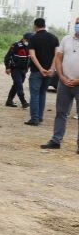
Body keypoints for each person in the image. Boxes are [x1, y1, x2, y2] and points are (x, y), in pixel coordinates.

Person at [40, 17, 79, 151]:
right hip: (64, 82)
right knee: (61, 112)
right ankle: (56, 140)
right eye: (77, 24)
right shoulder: (66, 39)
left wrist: (77, 80)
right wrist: (61, 77)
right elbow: (58, 58)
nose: (77, 26)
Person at [25, 17, 59, 126]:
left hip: (36, 72)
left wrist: (40, 69)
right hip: (49, 72)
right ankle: (39, 117)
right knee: (42, 94)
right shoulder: (54, 38)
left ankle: (34, 118)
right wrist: (51, 68)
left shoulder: (33, 39)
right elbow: (56, 55)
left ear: (35, 26)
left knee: (35, 94)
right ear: (44, 25)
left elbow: (32, 55)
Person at [4, 33, 31, 108]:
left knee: (16, 84)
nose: (29, 42)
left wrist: (28, 67)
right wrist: (7, 67)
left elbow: (29, 58)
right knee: (19, 85)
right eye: (28, 40)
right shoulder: (15, 45)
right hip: (15, 69)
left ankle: (9, 101)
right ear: (24, 39)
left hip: (24, 70)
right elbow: (7, 57)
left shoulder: (29, 46)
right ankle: (23, 102)